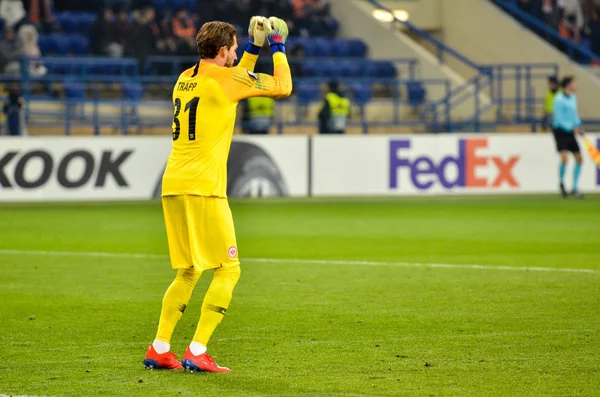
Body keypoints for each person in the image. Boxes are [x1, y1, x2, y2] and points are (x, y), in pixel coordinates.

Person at [143, 16, 292, 372]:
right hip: (204, 189)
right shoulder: (226, 79)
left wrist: (253, 48)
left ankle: (160, 347)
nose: (238, 54)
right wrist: (276, 45)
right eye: (236, 49)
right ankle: (197, 349)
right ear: (223, 51)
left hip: (174, 185)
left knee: (189, 271)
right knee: (228, 270)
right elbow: (283, 87)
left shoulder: (185, 77)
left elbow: (235, 79)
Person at [552, 76, 584, 198]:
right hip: (561, 131)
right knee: (565, 158)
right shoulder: (558, 99)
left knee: (579, 159)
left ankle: (575, 187)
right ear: (567, 85)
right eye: (573, 83)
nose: (575, 85)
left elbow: (574, 114)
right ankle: (561, 183)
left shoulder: (573, 98)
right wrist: (572, 128)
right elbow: (558, 119)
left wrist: (578, 125)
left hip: (571, 130)